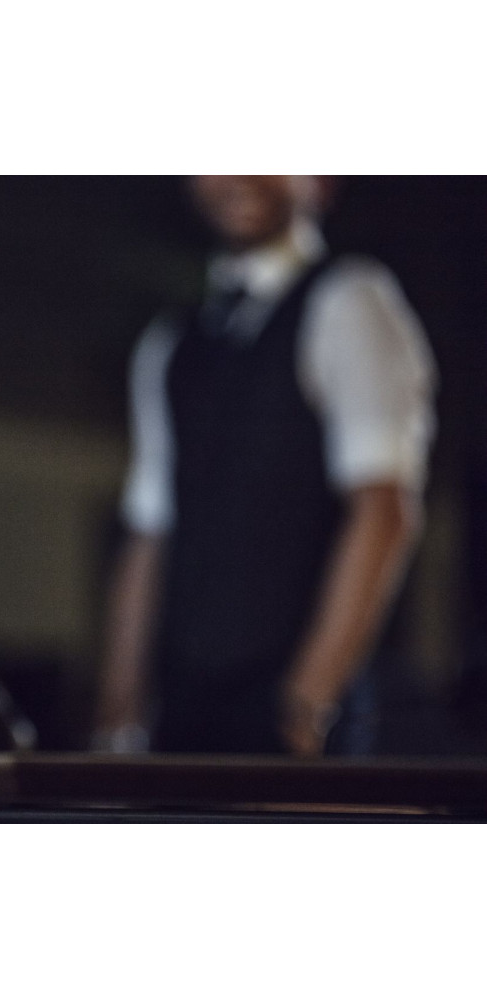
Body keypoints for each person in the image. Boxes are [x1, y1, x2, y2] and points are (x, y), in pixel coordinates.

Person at [94, 176, 437, 756]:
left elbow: (384, 512)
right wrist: (116, 717)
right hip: (182, 713)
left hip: (297, 720)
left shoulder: (351, 300)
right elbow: (150, 532)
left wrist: (306, 705)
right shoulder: (169, 342)